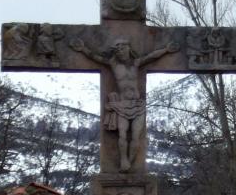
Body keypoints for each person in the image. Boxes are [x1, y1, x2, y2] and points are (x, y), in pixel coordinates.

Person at [71, 36, 179, 172]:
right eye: (117, 50)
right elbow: (96, 58)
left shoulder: (136, 63)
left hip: (138, 105)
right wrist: (83, 49)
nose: (120, 52)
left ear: (128, 48)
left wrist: (166, 50)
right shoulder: (114, 64)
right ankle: (124, 160)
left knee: (135, 136)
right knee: (122, 134)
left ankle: (130, 162)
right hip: (122, 105)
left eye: (122, 48)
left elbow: (151, 57)